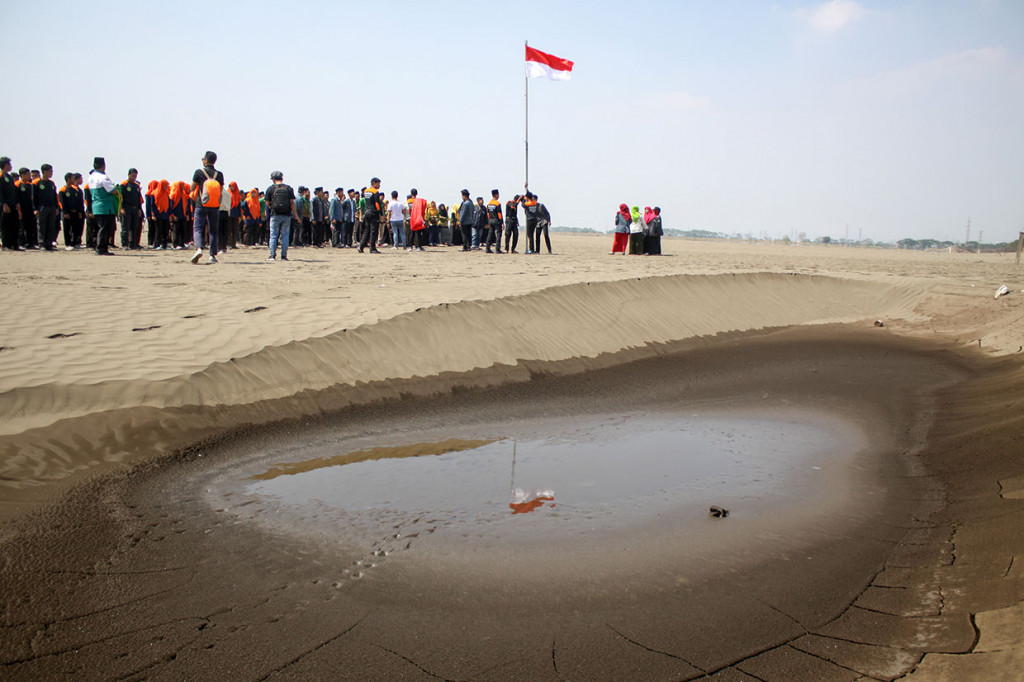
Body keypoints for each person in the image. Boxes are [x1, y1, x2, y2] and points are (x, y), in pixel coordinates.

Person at [189, 151, 224, 264]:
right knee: (213, 230)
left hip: (201, 204)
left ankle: (199, 248)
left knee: (198, 228)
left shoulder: (199, 172)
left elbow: (192, 188)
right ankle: (212, 255)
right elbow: (221, 190)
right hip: (214, 205)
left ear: (206, 160)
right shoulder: (219, 174)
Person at [88, 157, 119, 255]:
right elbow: (112, 191)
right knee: (105, 228)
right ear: (103, 166)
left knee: (102, 227)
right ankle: (101, 248)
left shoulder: (91, 177)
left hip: (97, 206)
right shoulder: (103, 177)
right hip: (105, 207)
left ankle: (101, 247)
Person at [265, 170, 298, 261]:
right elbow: (292, 203)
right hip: (286, 215)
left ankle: (272, 255)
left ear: (273, 179)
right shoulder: (288, 188)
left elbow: (267, 203)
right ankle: (284, 256)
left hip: (275, 215)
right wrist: (296, 216)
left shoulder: (270, 189)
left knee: (273, 235)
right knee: (285, 235)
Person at [34, 164, 60, 250]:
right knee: (42, 226)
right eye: (50, 171)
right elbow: (34, 197)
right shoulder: (37, 183)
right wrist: (35, 209)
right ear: (45, 172)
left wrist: (56, 207)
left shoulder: (51, 183)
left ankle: (49, 244)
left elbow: (54, 196)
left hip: (51, 207)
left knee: (50, 226)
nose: (52, 173)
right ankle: (42, 244)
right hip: (42, 207)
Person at [119, 168, 144, 250]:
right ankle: (124, 244)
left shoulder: (136, 186)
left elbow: (138, 199)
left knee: (134, 227)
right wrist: (121, 208)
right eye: (132, 176)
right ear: (129, 175)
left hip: (135, 208)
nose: (134, 177)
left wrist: (139, 209)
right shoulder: (124, 185)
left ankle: (132, 244)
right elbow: (120, 197)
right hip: (126, 208)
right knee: (125, 227)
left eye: (135, 176)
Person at [60, 172, 86, 250]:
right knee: (67, 229)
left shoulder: (74, 190)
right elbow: (62, 202)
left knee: (75, 228)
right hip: (67, 212)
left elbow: (78, 202)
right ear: (68, 179)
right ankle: (68, 244)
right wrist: (65, 212)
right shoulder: (63, 190)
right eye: (72, 178)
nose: (73, 180)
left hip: (75, 212)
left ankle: (75, 243)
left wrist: (79, 212)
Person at [358, 178, 384, 253]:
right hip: (373, 213)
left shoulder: (366, 191)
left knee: (366, 230)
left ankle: (361, 246)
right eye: (378, 184)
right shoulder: (375, 192)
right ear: (374, 183)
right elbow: (377, 204)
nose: (379, 185)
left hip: (367, 212)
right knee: (374, 231)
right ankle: (372, 248)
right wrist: (381, 214)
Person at [0, 157, 20, 250]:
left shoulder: (10, 177)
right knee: (6, 226)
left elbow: (14, 191)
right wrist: (4, 204)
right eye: (9, 164)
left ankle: (14, 244)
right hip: (5, 205)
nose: (10, 166)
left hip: (12, 204)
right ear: (4, 165)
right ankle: (6, 245)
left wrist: (16, 202)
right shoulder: (1, 176)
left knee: (14, 225)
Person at [15, 168, 37, 249]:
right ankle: (20, 243)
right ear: (23, 175)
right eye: (28, 174)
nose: (29, 176)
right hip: (21, 208)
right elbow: (16, 197)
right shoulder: (17, 184)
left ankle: (30, 243)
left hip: (30, 209)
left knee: (30, 227)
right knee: (21, 227)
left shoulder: (30, 185)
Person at [151, 179, 171, 250]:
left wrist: (169, 214)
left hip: (165, 214)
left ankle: (164, 245)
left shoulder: (166, 193)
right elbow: (152, 205)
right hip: (158, 214)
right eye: (165, 185)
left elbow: (168, 205)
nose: (166, 187)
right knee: (158, 230)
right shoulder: (154, 193)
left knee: (165, 230)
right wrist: (153, 214)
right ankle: (157, 244)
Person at [485, 189, 503, 254]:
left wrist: (489, 221)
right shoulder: (497, 204)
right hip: (496, 220)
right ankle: (497, 249)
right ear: (496, 195)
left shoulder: (488, 204)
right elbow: (499, 214)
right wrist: (502, 222)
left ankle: (487, 248)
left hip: (491, 220)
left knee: (490, 234)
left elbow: (488, 214)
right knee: (498, 234)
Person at [226, 182, 242, 249]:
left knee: (234, 230)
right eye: (230, 186)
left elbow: (239, 207)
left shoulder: (238, 196)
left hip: (235, 215)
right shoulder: (227, 194)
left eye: (232, 186)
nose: (231, 188)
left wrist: (239, 216)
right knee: (228, 229)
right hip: (228, 214)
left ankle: (233, 244)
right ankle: (229, 243)